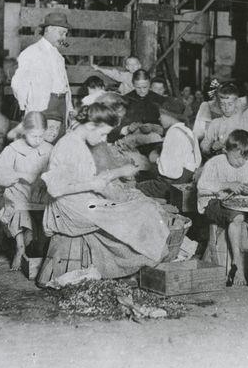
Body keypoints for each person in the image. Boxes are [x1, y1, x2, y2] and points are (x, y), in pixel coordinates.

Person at [40, 103, 170, 281]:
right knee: (140, 211)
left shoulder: (78, 142)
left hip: (81, 201)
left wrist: (118, 173)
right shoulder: (68, 146)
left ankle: (135, 263)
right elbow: (54, 188)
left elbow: (85, 178)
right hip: (68, 208)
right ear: (92, 126)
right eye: (102, 133)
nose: (103, 138)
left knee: (138, 205)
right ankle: (140, 262)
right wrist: (92, 185)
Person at [197, 130, 248, 286]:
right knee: (237, 217)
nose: (241, 162)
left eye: (245, 157)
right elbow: (202, 186)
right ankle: (236, 265)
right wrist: (227, 185)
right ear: (226, 150)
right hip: (212, 202)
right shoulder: (215, 162)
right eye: (237, 157)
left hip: (237, 203)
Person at [0, 112, 53, 269]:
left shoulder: (50, 149)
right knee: (18, 206)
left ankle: (40, 246)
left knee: (50, 209)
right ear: (25, 131)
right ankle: (20, 247)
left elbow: (57, 172)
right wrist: (19, 175)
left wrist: (44, 180)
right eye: (34, 136)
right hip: (19, 191)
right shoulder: (13, 149)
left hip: (40, 193)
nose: (38, 140)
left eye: (41, 136)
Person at [11, 11, 73, 130]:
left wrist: (69, 107)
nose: (64, 38)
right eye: (62, 33)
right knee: (41, 137)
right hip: (43, 104)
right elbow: (18, 84)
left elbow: (65, 84)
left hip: (61, 103)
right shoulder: (31, 53)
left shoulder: (58, 56)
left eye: (65, 34)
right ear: (49, 30)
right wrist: (26, 107)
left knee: (58, 139)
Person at [136, 97, 202, 200]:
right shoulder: (188, 130)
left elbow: (171, 172)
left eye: (161, 115)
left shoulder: (173, 133)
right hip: (188, 179)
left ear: (169, 115)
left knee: (134, 189)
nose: (159, 119)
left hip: (172, 185)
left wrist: (157, 160)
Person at [200, 83, 245, 157]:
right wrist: (211, 146)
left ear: (237, 102)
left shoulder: (243, 122)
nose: (226, 108)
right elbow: (204, 144)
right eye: (222, 104)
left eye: (230, 104)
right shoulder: (215, 123)